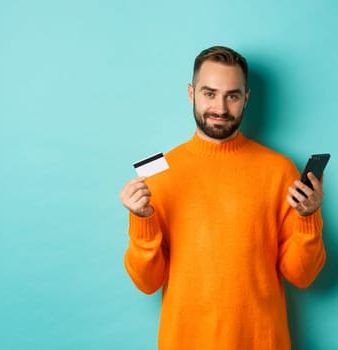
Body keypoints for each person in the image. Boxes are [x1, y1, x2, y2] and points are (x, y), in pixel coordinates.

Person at [119, 46, 326, 350]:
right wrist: (141, 220)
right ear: (191, 94)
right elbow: (147, 283)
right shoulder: (159, 173)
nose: (220, 107)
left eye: (232, 95)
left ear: (246, 99)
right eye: (209, 93)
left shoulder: (279, 170)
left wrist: (308, 219)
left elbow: (301, 276)